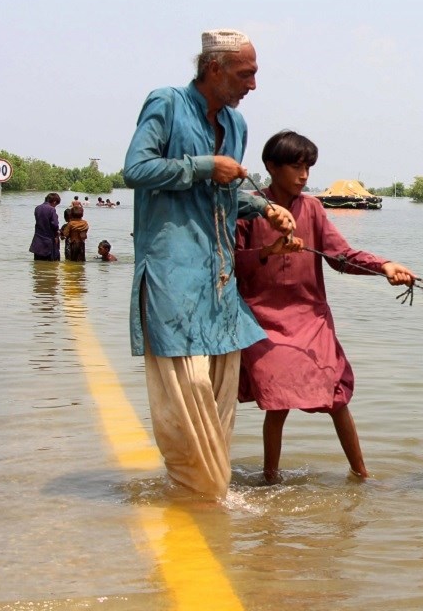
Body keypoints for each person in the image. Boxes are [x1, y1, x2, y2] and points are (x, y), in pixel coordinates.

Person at [123, 28, 296, 498]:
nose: (253, 85)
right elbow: (135, 170)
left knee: (220, 392)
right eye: (246, 74)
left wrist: (264, 208)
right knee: (187, 390)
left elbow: (222, 196)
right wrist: (203, 165)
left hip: (218, 278)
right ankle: (192, 488)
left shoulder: (237, 127)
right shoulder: (166, 103)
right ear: (213, 69)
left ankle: (208, 495)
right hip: (171, 272)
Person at [234, 130, 415, 483]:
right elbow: (231, 265)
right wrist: (269, 253)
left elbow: (340, 256)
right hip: (264, 320)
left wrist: (384, 267)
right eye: (296, 167)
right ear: (271, 166)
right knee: (278, 402)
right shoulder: (248, 208)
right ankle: (270, 478)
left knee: (337, 398)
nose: (304, 175)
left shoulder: (313, 208)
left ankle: (362, 475)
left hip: (311, 317)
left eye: (308, 167)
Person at [29, 192, 61, 261]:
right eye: (56, 205)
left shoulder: (37, 208)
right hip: (48, 242)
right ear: (54, 202)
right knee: (51, 266)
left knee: (38, 265)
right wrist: (57, 232)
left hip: (37, 242)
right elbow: (55, 224)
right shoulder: (51, 209)